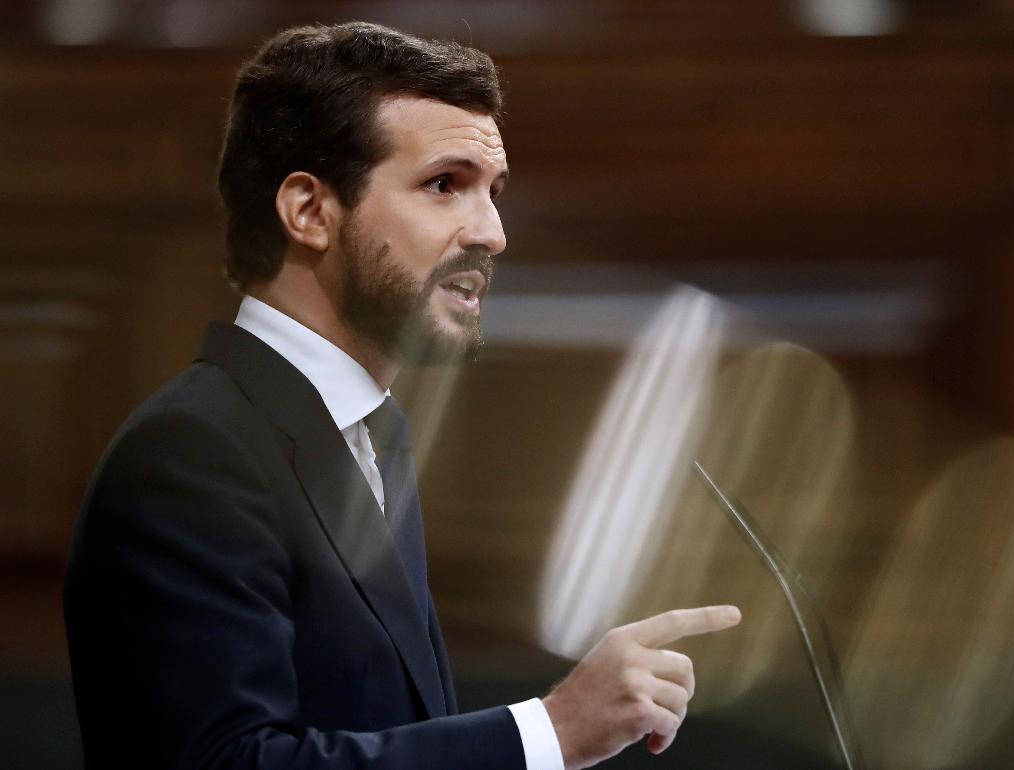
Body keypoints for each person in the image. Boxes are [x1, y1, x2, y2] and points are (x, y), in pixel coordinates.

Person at [62, 21, 740, 770]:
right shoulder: (193, 452)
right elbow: (225, 763)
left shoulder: (371, 434)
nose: (491, 233)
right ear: (309, 211)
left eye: (492, 193)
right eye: (445, 185)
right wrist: (549, 732)